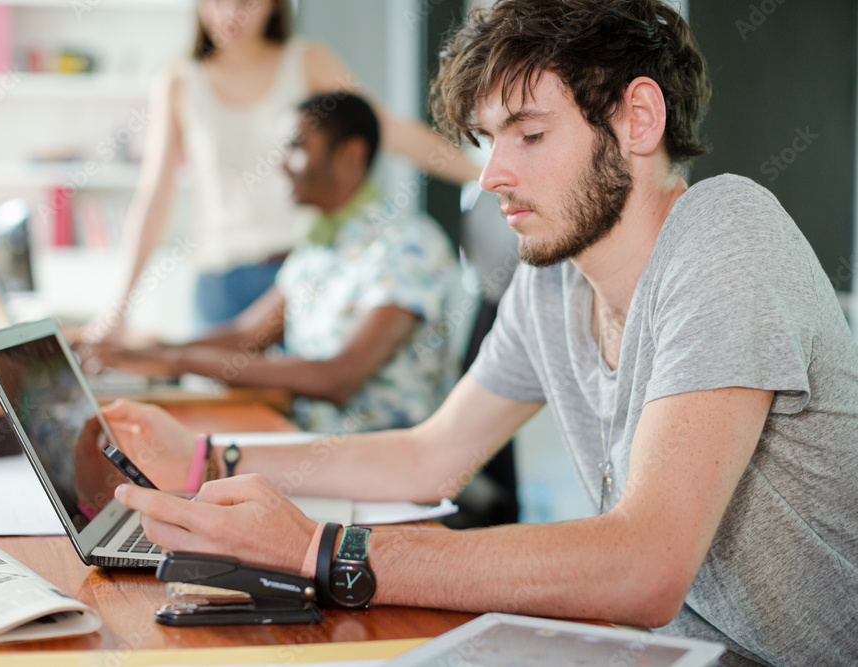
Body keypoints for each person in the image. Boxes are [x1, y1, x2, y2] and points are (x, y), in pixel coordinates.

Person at [100, 1, 858, 665]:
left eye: (528, 134)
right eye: (488, 139)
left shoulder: (728, 233)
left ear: (639, 118)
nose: (491, 174)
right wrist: (205, 458)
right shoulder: (554, 278)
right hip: (667, 647)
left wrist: (322, 550)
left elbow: (644, 564)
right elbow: (431, 456)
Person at [91, 0, 479, 340]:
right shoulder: (179, 80)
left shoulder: (306, 60)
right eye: (213, 1)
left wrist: (486, 175)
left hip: (298, 274)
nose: (227, 14)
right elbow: (155, 196)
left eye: (245, 2)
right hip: (219, 280)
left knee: (295, 410)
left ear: (275, 4)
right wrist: (118, 308)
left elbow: (385, 128)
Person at [97, 92, 464, 433]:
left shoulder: (408, 246)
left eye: (295, 146)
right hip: (304, 438)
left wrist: (179, 361)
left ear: (350, 156)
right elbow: (247, 335)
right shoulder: (320, 244)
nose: (279, 164)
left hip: (380, 459)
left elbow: (338, 378)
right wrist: (146, 354)